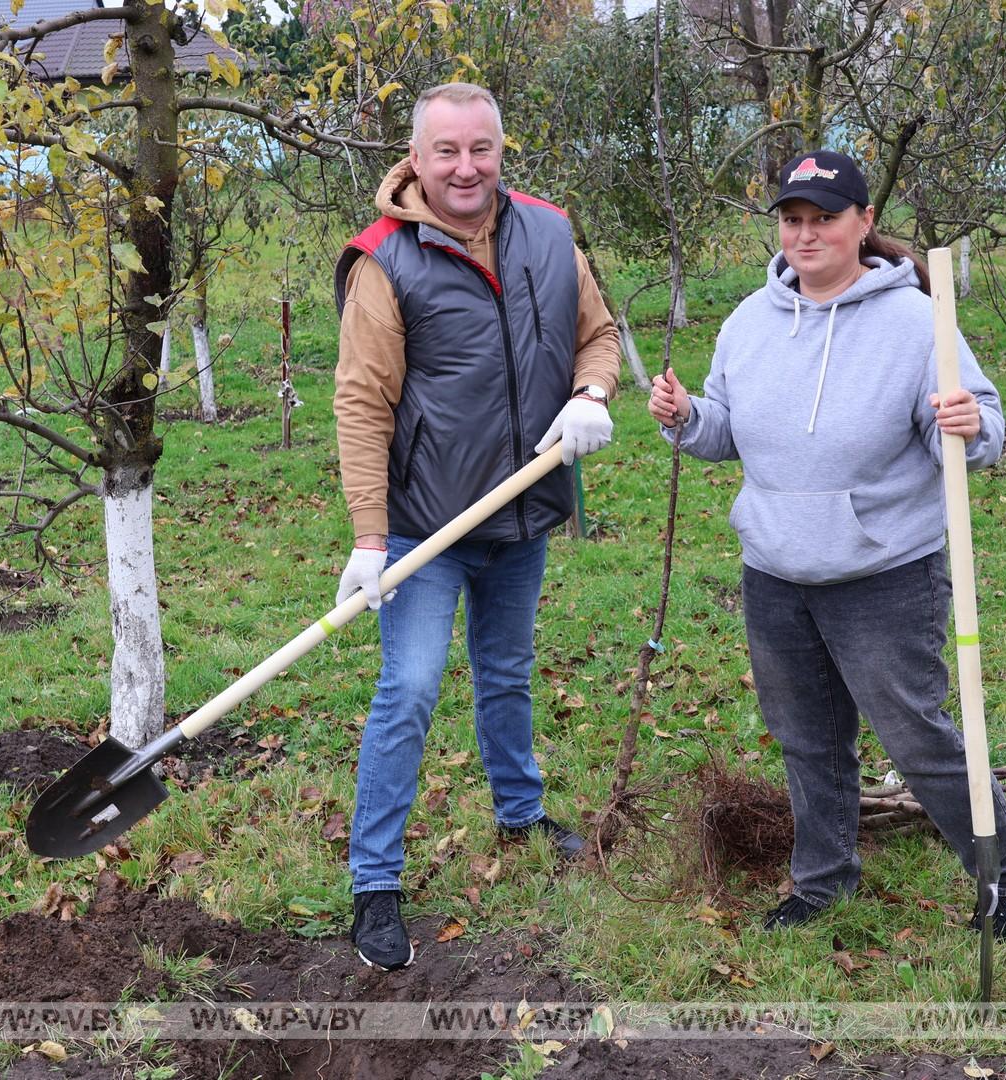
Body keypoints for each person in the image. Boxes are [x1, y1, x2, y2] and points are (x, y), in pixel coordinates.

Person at [648, 149, 1006, 940]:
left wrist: (969, 425)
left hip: (884, 573)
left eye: (825, 219)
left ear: (864, 222)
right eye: (793, 219)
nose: (806, 235)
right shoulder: (749, 322)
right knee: (808, 740)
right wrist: (686, 417)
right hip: (776, 572)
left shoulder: (916, 323)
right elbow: (724, 433)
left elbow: (978, 430)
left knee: (917, 738)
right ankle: (823, 880)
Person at [332, 83, 620, 970]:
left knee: (506, 673)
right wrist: (370, 539)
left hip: (520, 512)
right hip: (426, 527)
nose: (466, 168)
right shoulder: (386, 260)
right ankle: (375, 882)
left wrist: (591, 392)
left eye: (481, 148)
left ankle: (520, 815)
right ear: (416, 159)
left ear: (501, 150)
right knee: (411, 689)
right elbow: (361, 403)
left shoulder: (550, 233)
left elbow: (598, 333)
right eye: (447, 151)